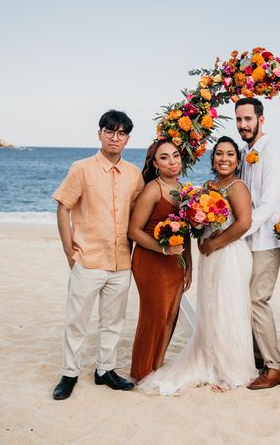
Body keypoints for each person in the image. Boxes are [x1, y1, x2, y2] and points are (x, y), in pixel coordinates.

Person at [137, 136, 256, 394]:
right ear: (212, 158)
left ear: (238, 160)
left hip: (229, 255)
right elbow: (195, 224)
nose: (224, 159)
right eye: (219, 154)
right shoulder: (207, 186)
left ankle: (231, 369)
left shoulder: (238, 187)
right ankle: (210, 360)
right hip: (209, 256)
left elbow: (244, 223)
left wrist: (216, 243)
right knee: (211, 309)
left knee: (228, 308)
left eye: (230, 154)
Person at [52, 110, 144, 400]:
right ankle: (69, 374)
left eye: (121, 134)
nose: (114, 138)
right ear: (100, 133)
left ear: (127, 139)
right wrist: (70, 252)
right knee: (76, 320)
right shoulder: (81, 168)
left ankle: (105, 370)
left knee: (113, 321)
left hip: (121, 262)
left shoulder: (134, 174)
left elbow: (139, 214)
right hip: (88, 259)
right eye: (109, 132)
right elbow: (63, 207)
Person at [236, 97, 280, 390]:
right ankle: (258, 358)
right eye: (239, 120)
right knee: (246, 298)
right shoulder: (246, 153)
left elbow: (269, 204)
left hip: (268, 238)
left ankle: (275, 367)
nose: (243, 125)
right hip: (250, 238)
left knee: (257, 299)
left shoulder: (272, 154)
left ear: (261, 119)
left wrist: (237, 231)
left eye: (248, 119)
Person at [128, 139, 192, 381]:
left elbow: (185, 233)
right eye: (164, 157)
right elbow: (134, 231)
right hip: (151, 261)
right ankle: (142, 372)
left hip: (176, 263)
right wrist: (163, 251)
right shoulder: (153, 190)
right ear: (155, 163)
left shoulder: (184, 190)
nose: (172, 161)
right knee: (153, 316)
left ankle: (157, 366)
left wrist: (189, 266)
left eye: (175, 155)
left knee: (170, 317)